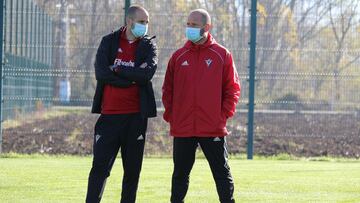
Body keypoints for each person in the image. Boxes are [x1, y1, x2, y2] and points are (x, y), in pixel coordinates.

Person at [162, 8, 241, 203]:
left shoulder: (222, 54)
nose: (189, 28)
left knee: (221, 173)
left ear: (207, 27)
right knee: (180, 175)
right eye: (188, 25)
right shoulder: (178, 56)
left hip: (212, 126)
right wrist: (173, 116)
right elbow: (167, 90)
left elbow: (232, 89)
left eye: (194, 25)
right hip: (183, 127)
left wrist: (221, 116)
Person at [86, 5, 157, 203]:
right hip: (109, 118)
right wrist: (131, 77)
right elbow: (101, 73)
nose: (145, 26)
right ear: (129, 21)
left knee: (132, 173)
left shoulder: (148, 46)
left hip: (136, 119)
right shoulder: (108, 42)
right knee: (99, 169)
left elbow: (146, 74)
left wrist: (117, 70)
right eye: (142, 22)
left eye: (147, 22)